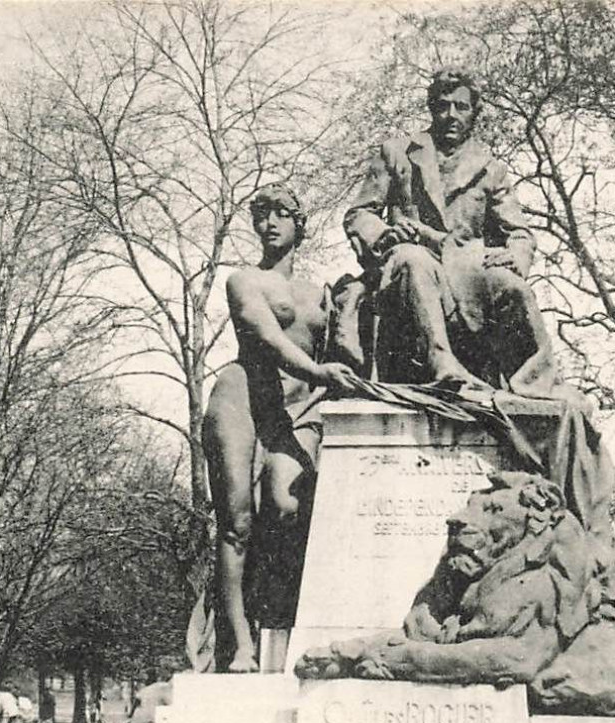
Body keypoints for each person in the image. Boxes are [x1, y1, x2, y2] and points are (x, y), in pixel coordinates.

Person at [202, 184, 359, 672]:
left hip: (298, 408)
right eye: (261, 215)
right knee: (236, 524)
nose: (269, 223)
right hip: (243, 396)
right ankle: (242, 645)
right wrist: (318, 373)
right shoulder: (244, 280)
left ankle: (281, 625)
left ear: (299, 225)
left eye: (281, 214)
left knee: (288, 506)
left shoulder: (320, 294)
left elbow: (343, 350)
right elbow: (265, 337)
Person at [341, 68, 558, 395]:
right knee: (415, 260)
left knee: (513, 288)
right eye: (443, 106)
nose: (451, 115)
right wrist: (381, 234)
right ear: (431, 109)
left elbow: (520, 233)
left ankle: (536, 390)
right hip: (406, 266)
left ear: (474, 113)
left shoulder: (491, 169)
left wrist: (514, 256)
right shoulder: (397, 152)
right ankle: (443, 365)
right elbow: (359, 213)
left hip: (466, 272)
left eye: (461, 107)